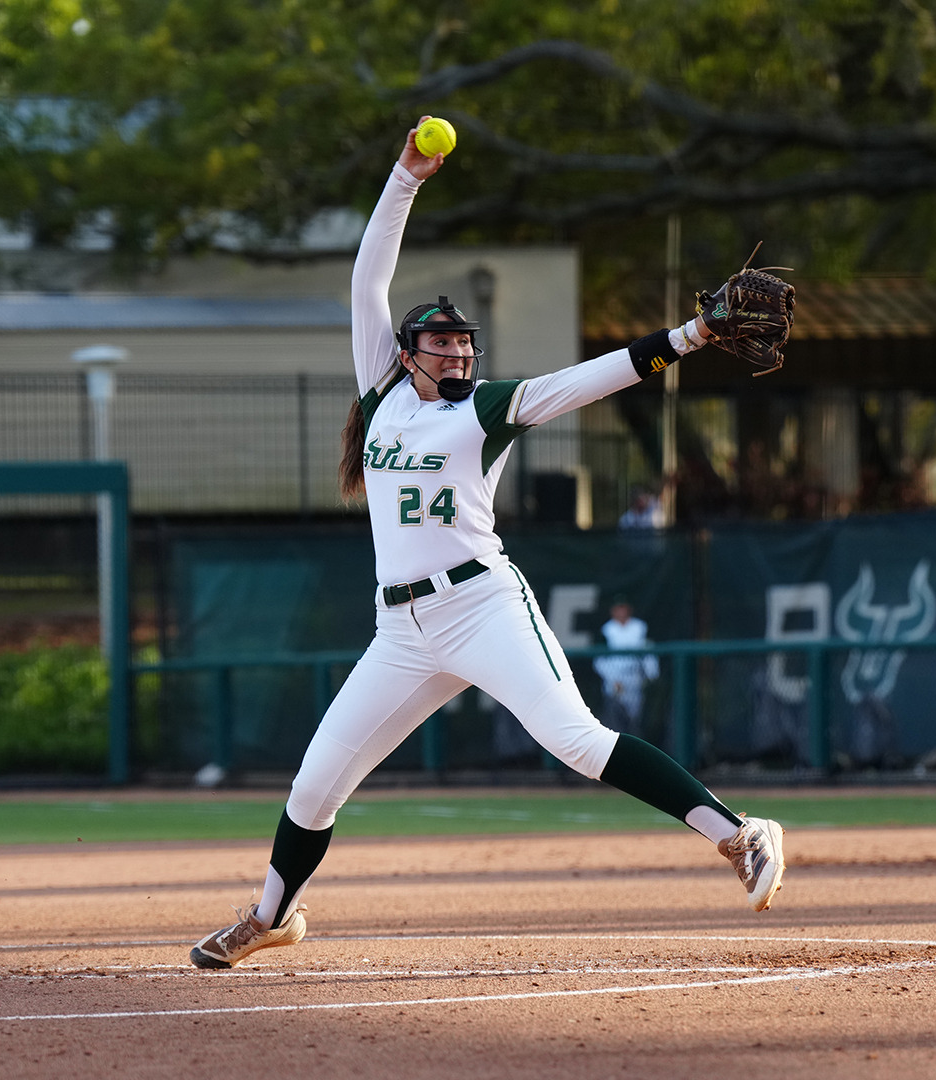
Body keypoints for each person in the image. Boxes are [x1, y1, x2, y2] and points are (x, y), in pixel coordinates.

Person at [189, 118, 790, 970]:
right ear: (407, 353)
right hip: (399, 632)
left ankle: (739, 834)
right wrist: (406, 177)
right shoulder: (382, 396)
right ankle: (273, 916)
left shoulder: (480, 410)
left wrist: (687, 338)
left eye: (467, 341)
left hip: (480, 605)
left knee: (575, 740)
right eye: (443, 342)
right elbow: (367, 281)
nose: (461, 350)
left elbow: (587, 381)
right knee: (314, 789)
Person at [594, 598, 658, 737]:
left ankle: (636, 749)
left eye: (623, 608)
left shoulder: (640, 627)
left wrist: (651, 674)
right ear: (613, 611)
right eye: (618, 608)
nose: (621, 611)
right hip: (615, 679)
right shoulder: (606, 630)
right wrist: (613, 680)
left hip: (635, 678)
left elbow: (648, 651)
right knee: (615, 720)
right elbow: (598, 660)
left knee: (636, 721)